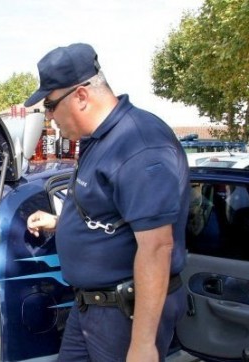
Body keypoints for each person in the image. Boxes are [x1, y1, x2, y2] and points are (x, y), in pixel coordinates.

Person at [24, 43, 189, 362]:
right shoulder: (100, 141)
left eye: (50, 104)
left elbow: (157, 248)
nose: (49, 116)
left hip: (125, 315)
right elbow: (112, 215)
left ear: (81, 96)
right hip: (91, 309)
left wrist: (143, 345)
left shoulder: (138, 144)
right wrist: (60, 222)